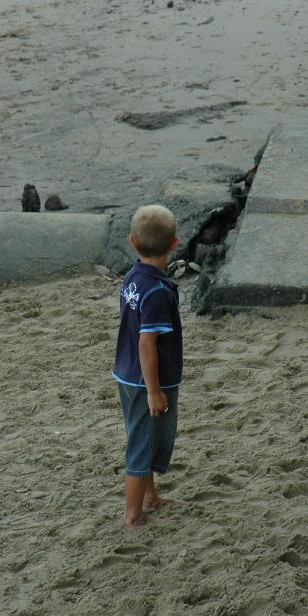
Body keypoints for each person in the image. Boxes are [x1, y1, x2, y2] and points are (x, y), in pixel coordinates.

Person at [111, 205, 183, 527]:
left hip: (127, 373)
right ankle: (132, 514)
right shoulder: (157, 290)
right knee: (141, 445)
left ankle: (150, 497)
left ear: (131, 241)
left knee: (146, 437)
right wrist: (154, 390)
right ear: (174, 244)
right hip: (146, 381)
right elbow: (147, 343)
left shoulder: (134, 276)